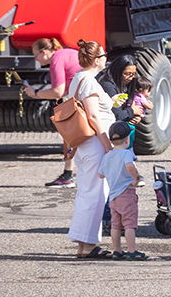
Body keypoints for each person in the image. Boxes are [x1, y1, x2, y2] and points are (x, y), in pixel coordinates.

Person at [67, 39, 115, 259]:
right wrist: (108, 145)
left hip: (84, 143)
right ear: (96, 60)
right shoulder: (89, 82)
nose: (106, 58)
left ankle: (84, 244)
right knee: (96, 193)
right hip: (95, 142)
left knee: (87, 192)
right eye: (103, 55)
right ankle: (87, 245)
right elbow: (93, 115)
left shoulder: (78, 78)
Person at [26, 38, 81, 188]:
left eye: (35, 55)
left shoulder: (56, 59)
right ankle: (68, 175)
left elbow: (58, 92)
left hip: (79, 98)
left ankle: (69, 176)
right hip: (85, 94)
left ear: (44, 52)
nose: (35, 59)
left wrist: (35, 92)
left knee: (71, 135)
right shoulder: (66, 53)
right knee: (74, 136)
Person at [98, 121, 146, 259]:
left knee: (115, 225)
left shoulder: (107, 156)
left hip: (113, 196)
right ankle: (132, 251)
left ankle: (117, 251)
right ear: (127, 139)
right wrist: (136, 178)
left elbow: (100, 174)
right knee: (129, 224)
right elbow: (130, 166)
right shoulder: (126, 154)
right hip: (126, 193)